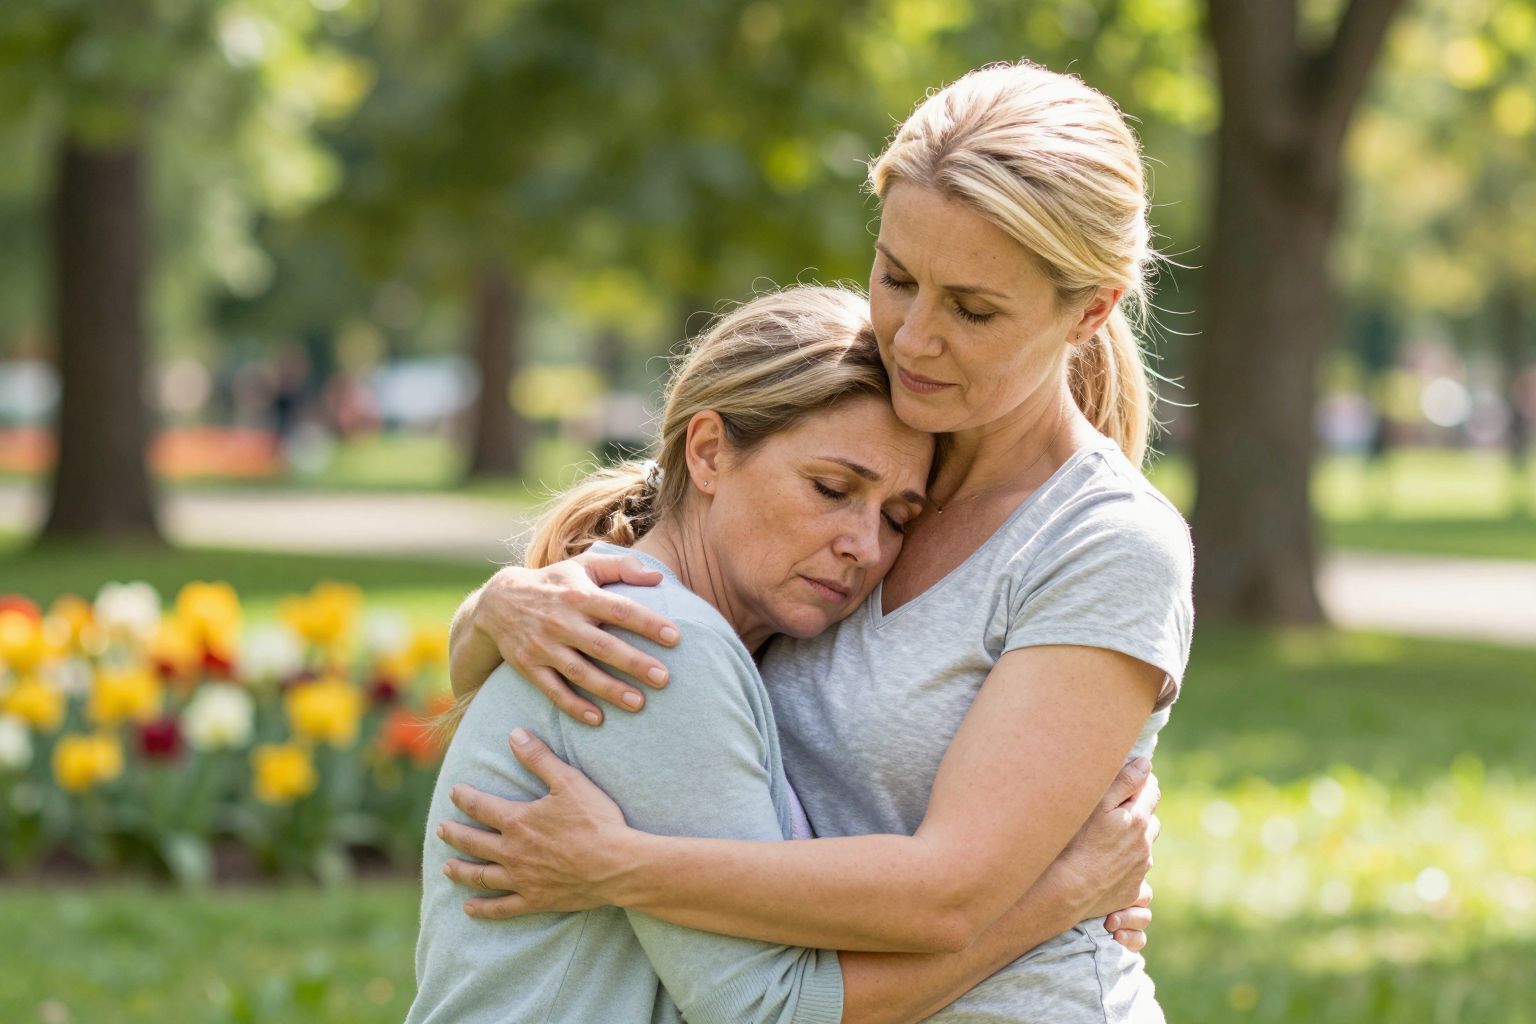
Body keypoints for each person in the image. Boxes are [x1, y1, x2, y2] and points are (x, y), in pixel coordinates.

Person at [439, 60, 1192, 1022]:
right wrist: (494, 610)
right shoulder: (857, 436)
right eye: (897, 277)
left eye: (972, 309)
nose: (914, 337)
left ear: (1087, 310)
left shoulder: (1104, 544)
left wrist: (620, 867)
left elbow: (950, 891)